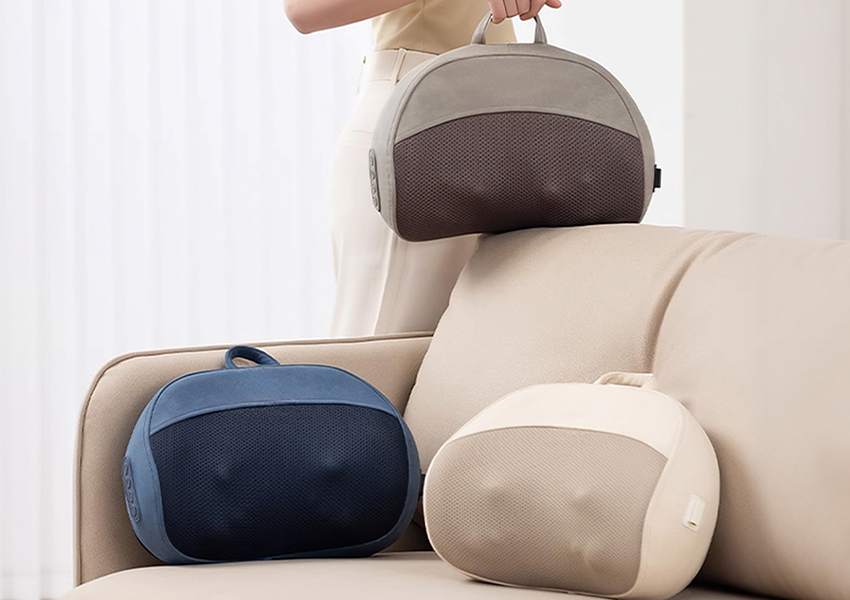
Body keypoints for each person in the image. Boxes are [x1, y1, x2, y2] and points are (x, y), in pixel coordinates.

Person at [285, 0, 562, 337]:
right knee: (380, 351)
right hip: (415, 124)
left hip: (499, 118)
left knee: (471, 355)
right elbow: (302, 9)